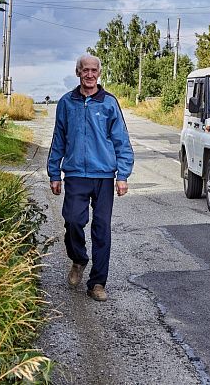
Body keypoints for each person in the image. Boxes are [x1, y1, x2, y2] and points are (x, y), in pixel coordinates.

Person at [47, 54, 134, 302]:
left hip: (104, 175)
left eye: (94, 70)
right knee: (73, 221)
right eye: (85, 70)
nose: (89, 74)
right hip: (75, 174)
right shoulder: (66, 103)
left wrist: (123, 175)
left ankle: (97, 283)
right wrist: (55, 173)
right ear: (77, 72)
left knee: (101, 229)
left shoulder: (108, 103)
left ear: (99, 73)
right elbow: (58, 140)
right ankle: (79, 259)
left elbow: (121, 140)